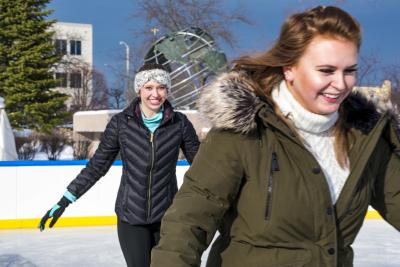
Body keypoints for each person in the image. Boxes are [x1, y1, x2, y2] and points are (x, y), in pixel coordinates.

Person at [150, 6, 400, 267]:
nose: (340, 83)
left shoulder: (364, 139)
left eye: (349, 70)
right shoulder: (244, 131)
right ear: (290, 68)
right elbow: (188, 222)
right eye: (326, 70)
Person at [39, 63, 200, 267]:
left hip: (167, 217)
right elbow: (97, 165)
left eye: (161, 87)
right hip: (130, 217)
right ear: (139, 89)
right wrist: (66, 199)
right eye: (149, 87)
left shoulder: (180, 123)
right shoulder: (121, 124)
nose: (155, 94)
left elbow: (202, 165)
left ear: (167, 90)